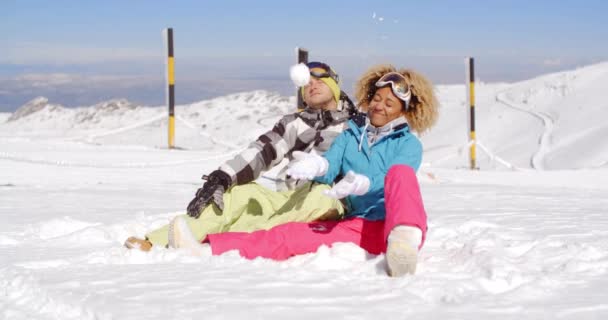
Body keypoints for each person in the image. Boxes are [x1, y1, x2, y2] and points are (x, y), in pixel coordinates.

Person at [170, 64, 439, 277]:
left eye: (389, 103)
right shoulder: (350, 135)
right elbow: (331, 165)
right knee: (287, 235)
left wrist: (364, 184)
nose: (379, 105)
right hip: (360, 226)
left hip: (398, 223)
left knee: (401, 175)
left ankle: (403, 246)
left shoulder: (408, 144)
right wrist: (317, 166)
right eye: (377, 98)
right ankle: (207, 250)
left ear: (404, 111)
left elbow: (395, 180)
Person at [125, 61, 358, 251]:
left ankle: (219, 243)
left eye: (319, 81)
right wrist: (222, 178)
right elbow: (261, 151)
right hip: (289, 197)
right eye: (306, 83)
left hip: (331, 197)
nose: (312, 86)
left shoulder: (356, 125)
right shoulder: (294, 124)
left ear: (334, 85)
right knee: (238, 193)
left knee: (319, 196)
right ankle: (157, 241)